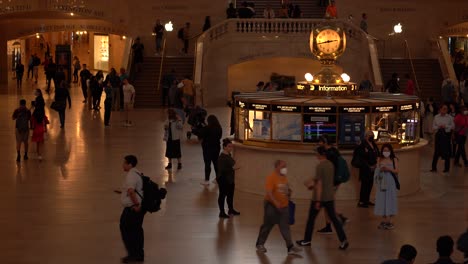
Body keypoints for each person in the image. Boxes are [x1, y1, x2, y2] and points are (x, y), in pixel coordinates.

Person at [296, 146, 349, 250]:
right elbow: (325, 181)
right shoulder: (331, 165)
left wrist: (318, 200)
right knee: (334, 219)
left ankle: (307, 240)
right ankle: (343, 240)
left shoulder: (320, 166)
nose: (316, 154)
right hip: (329, 197)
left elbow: (320, 183)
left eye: (317, 153)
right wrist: (312, 185)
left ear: (320, 154)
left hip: (319, 198)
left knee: (311, 219)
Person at [255, 160, 302, 255]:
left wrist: (289, 193)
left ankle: (290, 247)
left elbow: (286, 190)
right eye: (283, 166)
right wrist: (276, 202)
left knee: (285, 227)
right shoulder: (271, 177)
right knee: (267, 225)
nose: (285, 168)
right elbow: (269, 192)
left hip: (284, 206)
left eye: (285, 166)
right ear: (277, 167)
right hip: (271, 205)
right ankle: (260, 244)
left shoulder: (284, 177)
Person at [315, 135, 349, 234]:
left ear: (325, 142)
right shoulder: (334, 151)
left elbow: (329, 170)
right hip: (336, 181)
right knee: (327, 204)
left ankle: (340, 218)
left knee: (327, 203)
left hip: (331, 182)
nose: (319, 143)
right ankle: (329, 225)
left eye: (320, 142)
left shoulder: (329, 154)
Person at [119, 155, 145, 263]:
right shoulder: (136, 172)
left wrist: (136, 205)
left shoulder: (131, 175)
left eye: (124, 163)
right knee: (136, 230)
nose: (123, 165)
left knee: (127, 229)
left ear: (130, 164)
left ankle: (133, 254)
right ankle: (138, 255)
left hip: (132, 209)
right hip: (135, 207)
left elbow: (131, 191)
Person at [374, 144, 399, 230]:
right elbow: (377, 170)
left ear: (391, 151)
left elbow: (397, 171)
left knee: (390, 199)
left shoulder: (394, 159)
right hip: (382, 182)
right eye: (384, 150)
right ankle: (384, 220)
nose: (386, 152)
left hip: (391, 182)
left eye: (388, 150)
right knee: (382, 199)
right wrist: (380, 169)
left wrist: (388, 169)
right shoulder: (379, 159)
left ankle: (390, 221)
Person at [354, 130, 379, 208]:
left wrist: (375, 165)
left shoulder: (374, 144)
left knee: (370, 184)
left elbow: (377, 153)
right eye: (369, 135)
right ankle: (361, 202)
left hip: (373, 167)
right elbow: (361, 157)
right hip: (365, 168)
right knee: (364, 185)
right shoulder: (362, 144)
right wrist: (369, 166)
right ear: (365, 136)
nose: (371, 136)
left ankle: (367, 200)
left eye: (372, 135)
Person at [217, 138, 240, 218]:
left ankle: (231, 210)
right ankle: (222, 212)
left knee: (230, 195)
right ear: (224, 147)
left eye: (231, 146)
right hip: (223, 179)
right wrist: (233, 168)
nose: (231, 148)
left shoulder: (228, 155)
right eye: (229, 146)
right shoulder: (222, 157)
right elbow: (221, 169)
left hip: (230, 179)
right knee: (222, 195)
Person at [198, 115, 223, 186]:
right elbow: (220, 136)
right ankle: (218, 179)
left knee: (207, 164)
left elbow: (200, 135)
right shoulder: (219, 128)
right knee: (216, 163)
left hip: (207, 148)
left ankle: (207, 180)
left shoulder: (207, 128)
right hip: (216, 148)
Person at [431, 104, 454, 173]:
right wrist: (438, 127)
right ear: (440, 109)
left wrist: (445, 126)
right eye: (443, 108)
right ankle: (434, 168)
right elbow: (433, 127)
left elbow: (452, 126)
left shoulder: (449, 117)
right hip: (439, 135)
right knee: (436, 152)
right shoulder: (436, 117)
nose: (445, 110)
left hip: (446, 135)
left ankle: (447, 169)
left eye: (446, 109)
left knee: (446, 152)